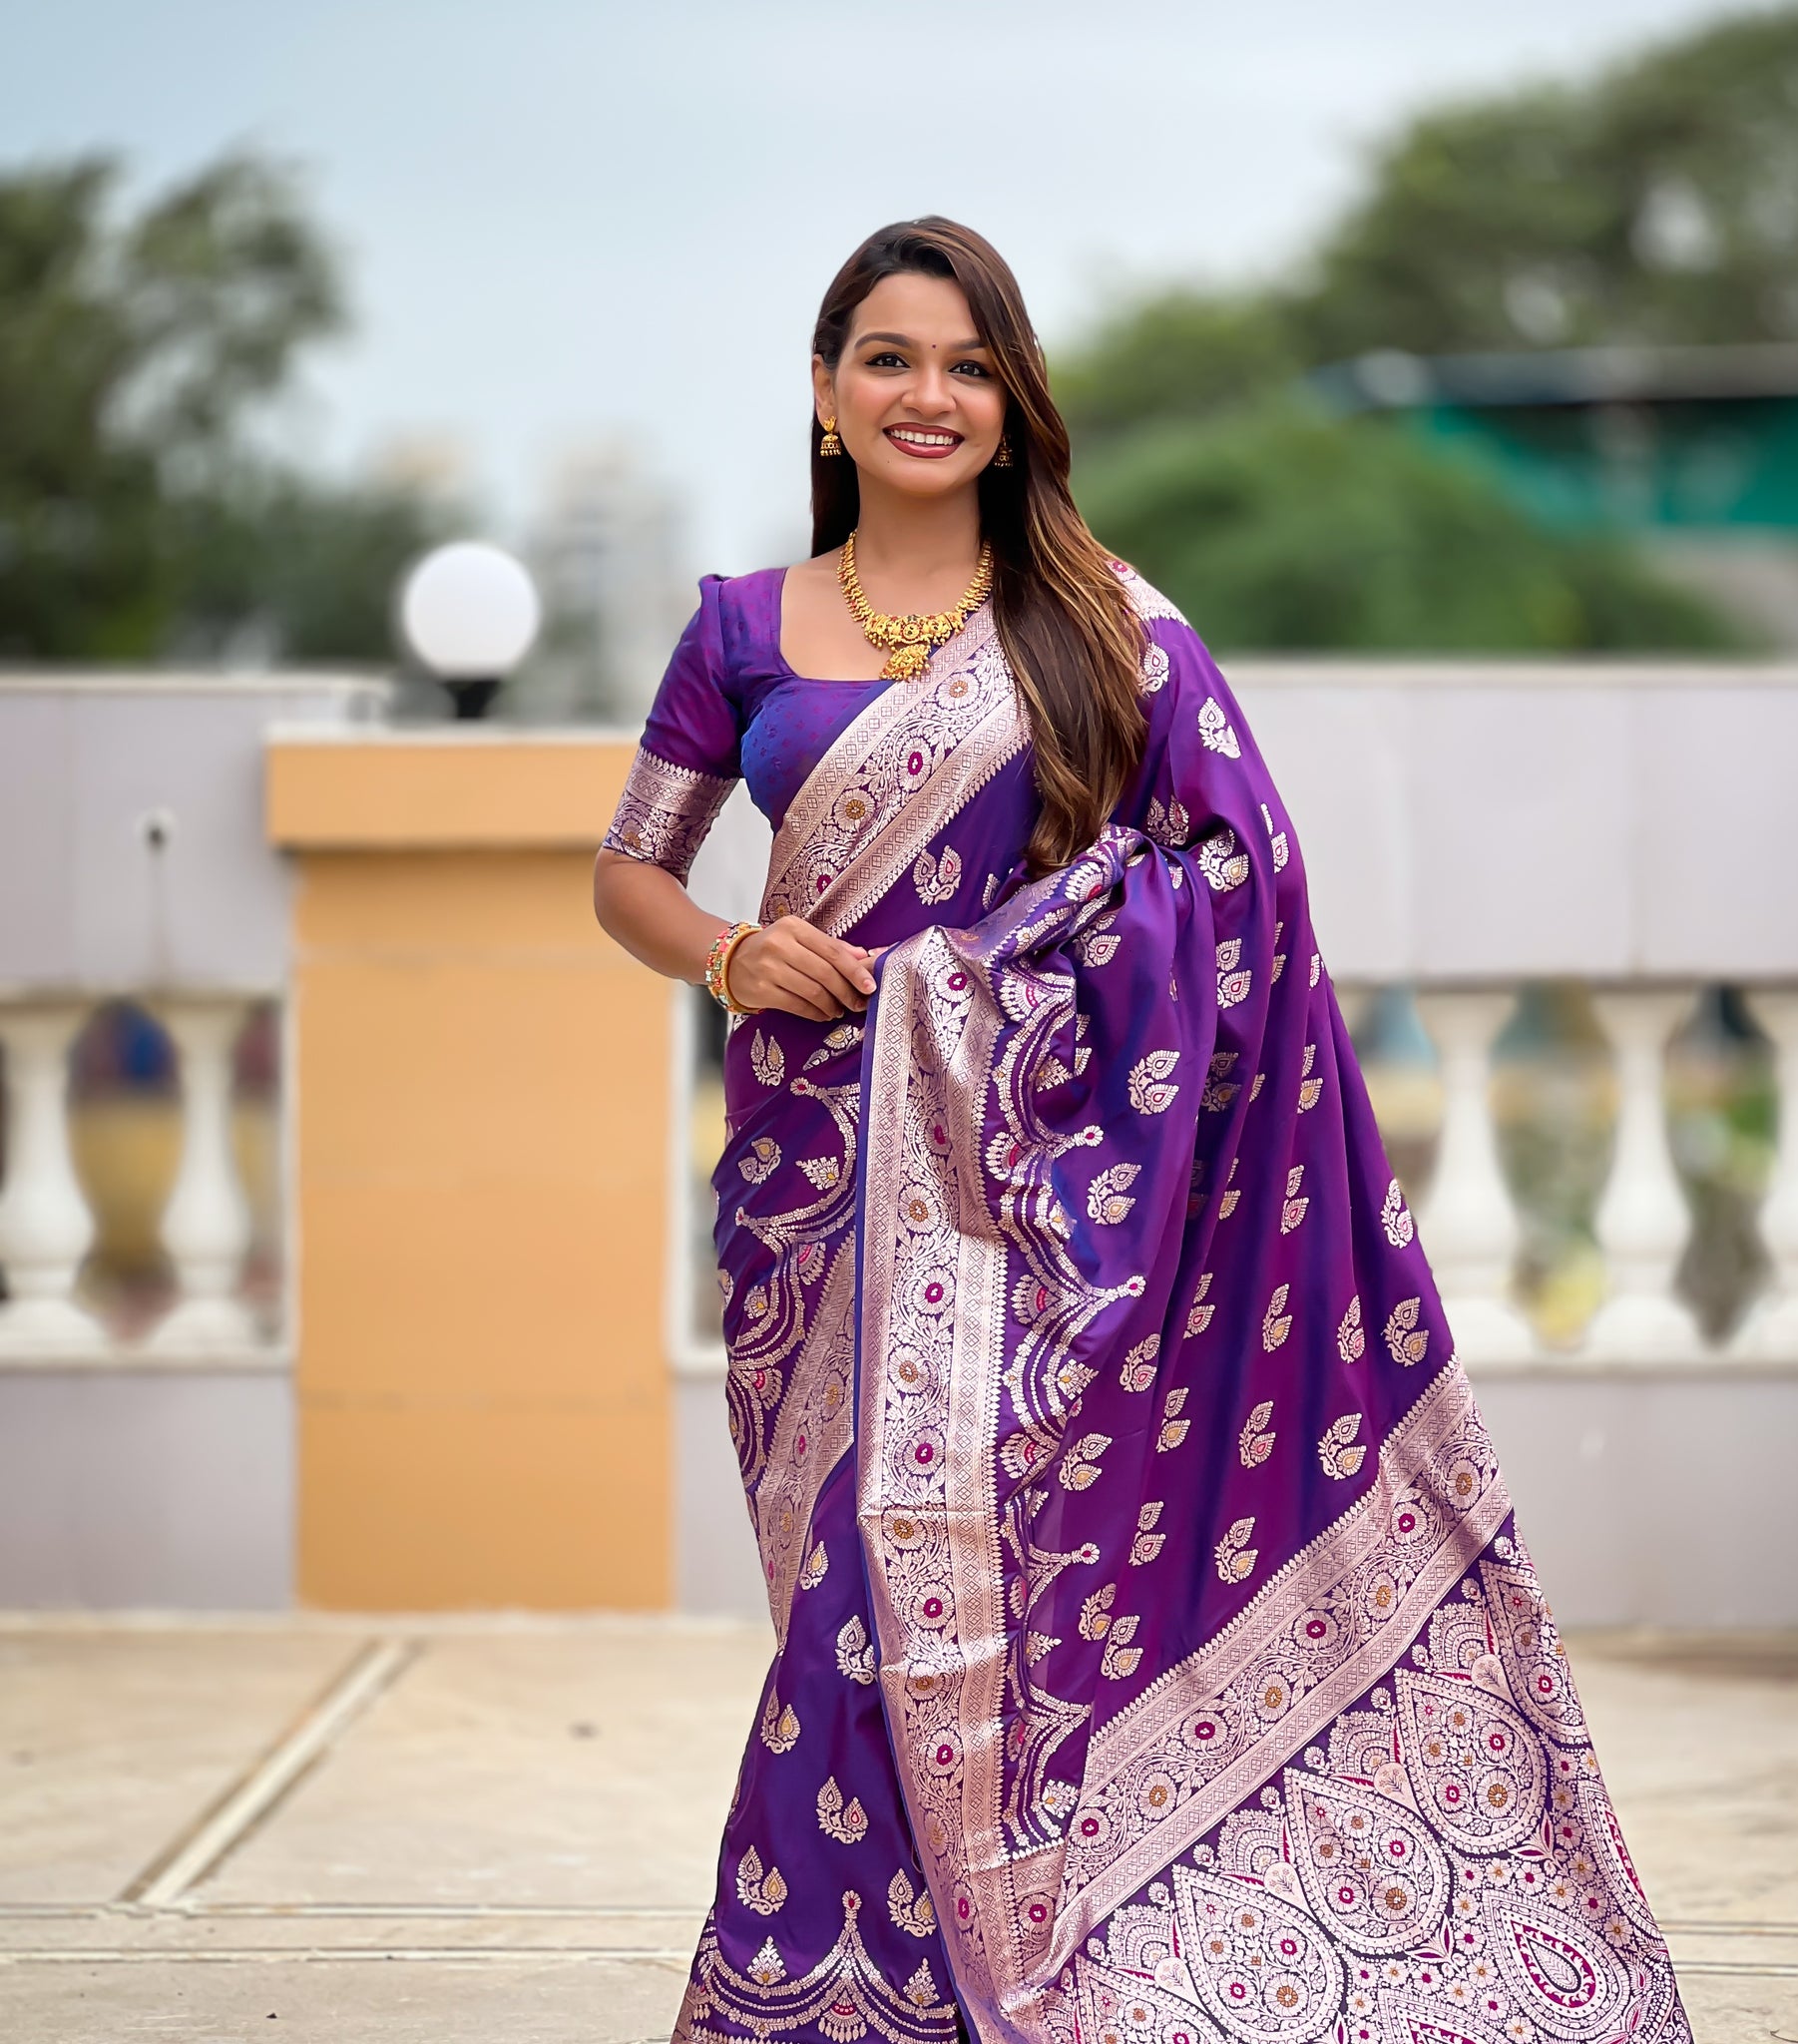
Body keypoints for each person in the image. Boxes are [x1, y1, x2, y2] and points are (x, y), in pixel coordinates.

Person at [595, 218, 1690, 2044]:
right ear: (825, 390)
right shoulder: (738, 629)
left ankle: (869, 1995)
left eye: (969, 366)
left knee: (939, 1591)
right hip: (820, 1183)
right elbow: (629, 869)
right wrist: (727, 952)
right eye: (889, 358)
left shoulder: (1109, 624)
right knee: (851, 1584)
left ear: (1015, 403)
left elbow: (1241, 880)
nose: (928, 395)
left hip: (1051, 1207)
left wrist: (990, 992)